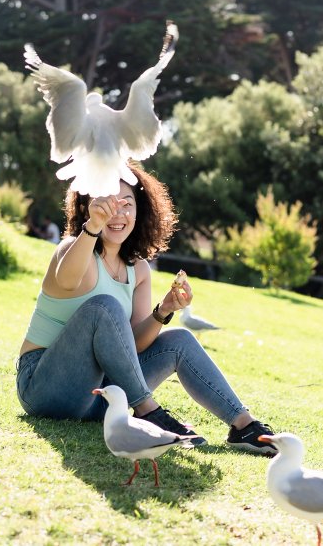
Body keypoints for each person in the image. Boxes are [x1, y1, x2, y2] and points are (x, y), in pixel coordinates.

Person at [15, 162, 276, 455]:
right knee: (103, 307)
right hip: (44, 387)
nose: (118, 214)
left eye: (127, 204)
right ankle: (147, 410)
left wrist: (163, 310)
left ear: (140, 213)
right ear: (90, 206)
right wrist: (93, 227)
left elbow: (134, 345)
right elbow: (66, 280)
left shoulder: (138, 270)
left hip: (100, 398)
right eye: (108, 204)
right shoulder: (72, 248)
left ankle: (244, 426)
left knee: (180, 340)